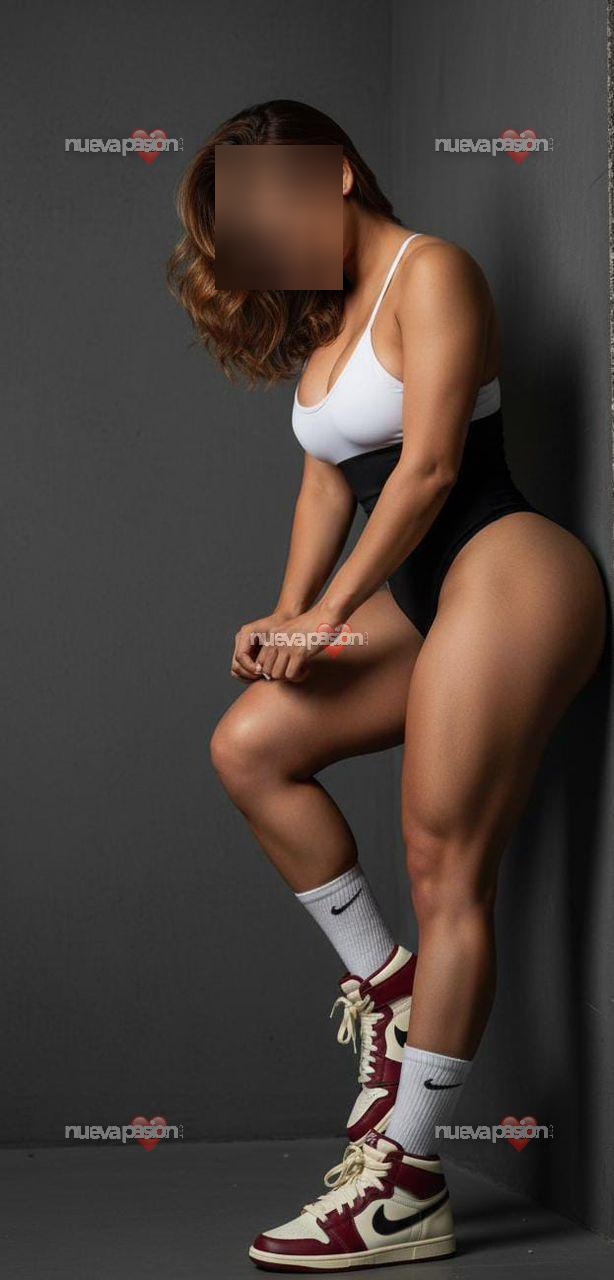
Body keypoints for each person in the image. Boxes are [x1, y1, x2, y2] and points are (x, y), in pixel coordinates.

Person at [167, 99, 607, 1272]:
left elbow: (426, 469)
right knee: (249, 745)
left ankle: (407, 1180)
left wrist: (324, 616)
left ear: (336, 175)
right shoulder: (325, 323)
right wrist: (284, 612)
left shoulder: (432, 272)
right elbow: (328, 478)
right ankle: (387, 983)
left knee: (440, 859)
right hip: (418, 598)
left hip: (508, 567)